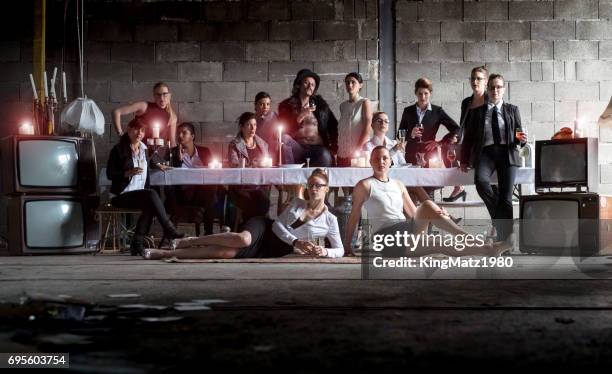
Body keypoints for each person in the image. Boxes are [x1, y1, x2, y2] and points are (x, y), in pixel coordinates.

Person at [344, 146, 509, 257]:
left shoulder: (398, 185)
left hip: (406, 231)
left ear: (390, 161)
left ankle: (488, 249)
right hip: (386, 237)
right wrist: (347, 246)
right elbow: (354, 216)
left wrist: (437, 214)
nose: (381, 162)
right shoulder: (365, 185)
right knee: (436, 228)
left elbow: (415, 214)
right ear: (371, 161)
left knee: (433, 221)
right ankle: (483, 245)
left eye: (385, 158)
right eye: (377, 158)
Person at [142, 169, 344, 260]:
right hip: (264, 229)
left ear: (327, 189)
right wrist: (296, 243)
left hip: (275, 250)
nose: (314, 188)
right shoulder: (298, 203)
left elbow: (340, 250)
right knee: (242, 238)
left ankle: (168, 254)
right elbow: (276, 226)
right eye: (311, 184)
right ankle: (189, 241)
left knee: (224, 253)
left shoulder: (330, 219)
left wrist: (325, 252)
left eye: (319, 185)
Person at [460, 74, 527, 242]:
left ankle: (504, 241)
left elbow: (519, 134)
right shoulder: (477, 112)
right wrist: (463, 160)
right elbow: (467, 139)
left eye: (498, 87)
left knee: (506, 197)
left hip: (507, 153)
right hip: (486, 154)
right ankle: (503, 224)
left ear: (503, 89)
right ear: (487, 90)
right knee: (481, 182)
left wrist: (522, 140)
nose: (495, 90)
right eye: (491, 87)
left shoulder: (513, 109)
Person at [106, 118, 183, 256]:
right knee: (151, 194)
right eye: (136, 129)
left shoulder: (144, 149)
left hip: (138, 194)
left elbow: (150, 162)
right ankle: (169, 230)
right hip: (121, 195)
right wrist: (127, 173)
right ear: (129, 129)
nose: (139, 133)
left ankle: (137, 244)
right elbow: (110, 174)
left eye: (142, 130)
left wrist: (158, 165)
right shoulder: (118, 150)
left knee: (150, 203)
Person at [161, 122, 218, 235]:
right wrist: (179, 160)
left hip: (201, 194)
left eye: (184, 133)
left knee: (211, 188)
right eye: (178, 133)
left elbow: (212, 172)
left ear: (192, 136)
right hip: (181, 195)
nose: (180, 136)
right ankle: (208, 231)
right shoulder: (172, 152)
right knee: (209, 196)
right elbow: (169, 175)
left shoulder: (204, 152)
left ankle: (207, 230)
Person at [443, 66, 489, 202]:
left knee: (486, 186)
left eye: (479, 79)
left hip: (486, 150)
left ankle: (498, 219)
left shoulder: (490, 101)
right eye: (473, 78)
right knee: (445, 146)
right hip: (470, 147)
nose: (475, 81)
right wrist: (456, 136)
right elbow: (463, 126)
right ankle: (458, 186)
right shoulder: (466, 102)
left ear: (486, 81)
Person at [278, 69, 338, 166]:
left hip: (317, 148)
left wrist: (334, 149)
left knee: (325, 155)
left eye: (313, 84)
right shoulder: (286, 106)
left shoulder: (321, 106)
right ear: (299, 85)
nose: (310, 86)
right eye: (306, 83)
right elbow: (283, 131)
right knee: (284, 139)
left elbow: (334, 127)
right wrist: (301, 115)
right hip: (298, 147)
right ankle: (288, 175)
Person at [398, 77, 460, 166]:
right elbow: (399, 134)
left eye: (426, 93)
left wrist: (440, 143)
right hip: (411, 155)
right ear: (415, 93)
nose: (423, 97)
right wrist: (411, 134)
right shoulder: (408, 111)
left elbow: (456, 129)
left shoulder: (437, 111)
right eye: (420, 93)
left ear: (430, 93)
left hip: (431, 156)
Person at [227, 112, 271, 222]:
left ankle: (253, 228)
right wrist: (252, 165)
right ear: (241, 127)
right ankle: (253, 228)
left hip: (259, 186)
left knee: (263, 199)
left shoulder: (263, 144)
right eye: (249, 125)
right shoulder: (234, 145)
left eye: (255, 125)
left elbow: (268, 164)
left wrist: (264, 164)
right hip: (241, 187)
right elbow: (233, 165)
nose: (253, 128)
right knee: (253, 201)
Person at [112, 82, 178, 146]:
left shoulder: (172, 117)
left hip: (150, 153)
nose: (161, 98)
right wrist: (120, 135)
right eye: (158, 95)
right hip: (131, 147)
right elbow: (116, 112)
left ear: (169, 95)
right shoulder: (144, 106)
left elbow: (172, 142)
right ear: (154, 96)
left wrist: (177, 153)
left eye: (165, 94)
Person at [337, 72, 373, 167]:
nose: (350, 85)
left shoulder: (364, 102)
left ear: (360, 85)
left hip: (357, 155)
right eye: (347, 82)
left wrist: (358, 149)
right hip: (342, 153)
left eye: (353, 82)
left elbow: (367, 129)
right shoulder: (342, 106)